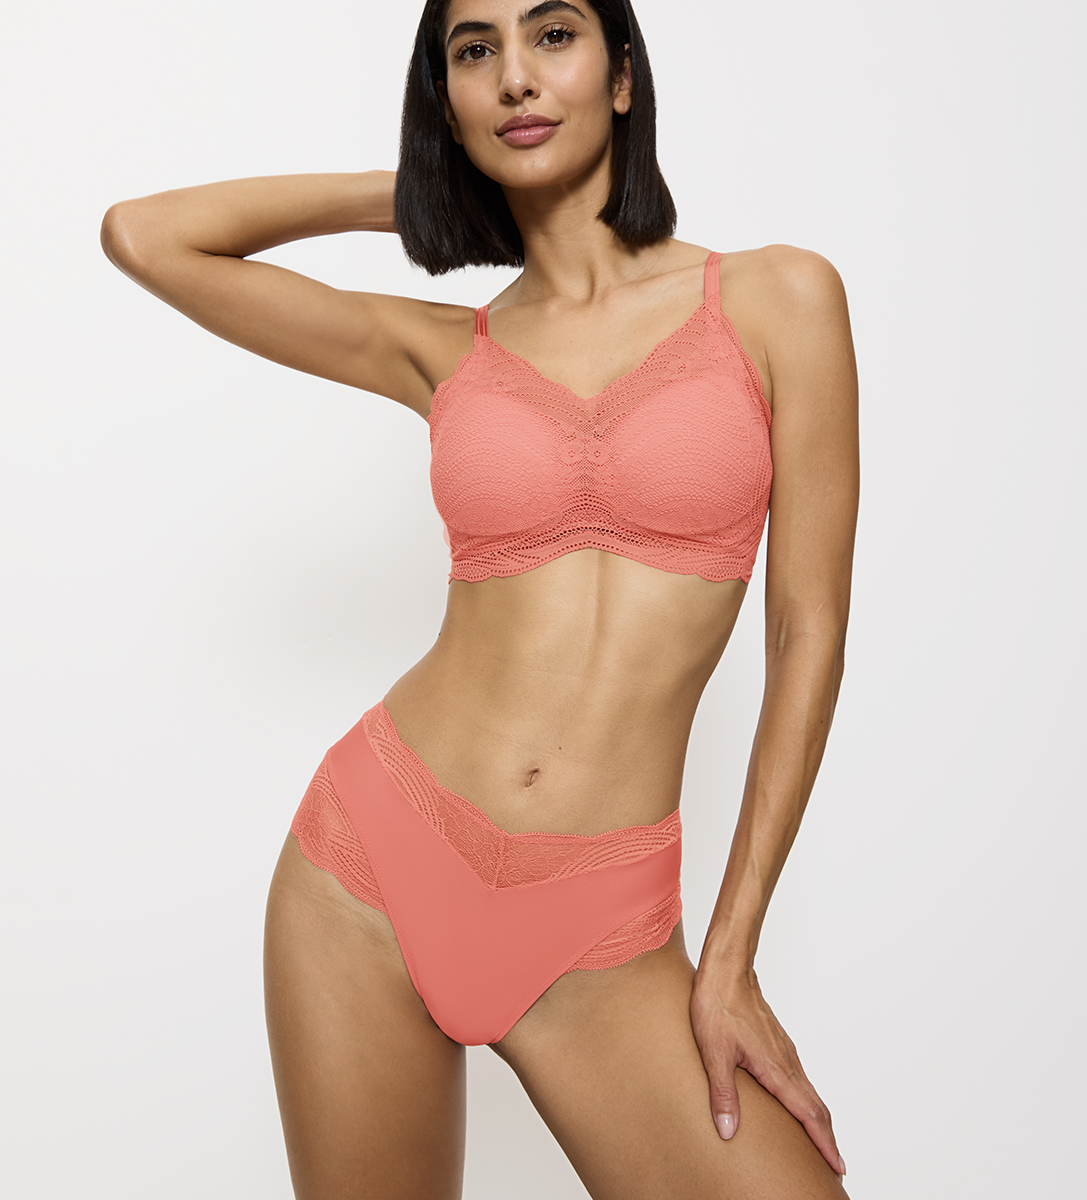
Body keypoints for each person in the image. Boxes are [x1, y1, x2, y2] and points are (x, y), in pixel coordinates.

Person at [100, 0, 858, 1194]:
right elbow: (145, 237)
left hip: (602, 925)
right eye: (474, 51)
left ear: (621, 75)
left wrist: (732, 954)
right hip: (372, 871)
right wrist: (418, 190)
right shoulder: (446, 348)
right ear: (446, 103)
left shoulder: (778, 299)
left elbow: (807, 634)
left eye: (553, 35)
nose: (515, 77)